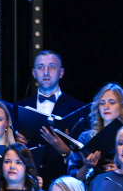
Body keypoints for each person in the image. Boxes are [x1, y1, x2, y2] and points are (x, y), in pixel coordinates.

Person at [15, 51, 86, 184]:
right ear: (34, 73)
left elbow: (84, 156)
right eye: (41, 67)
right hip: (26, 183)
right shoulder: (18, 107)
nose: (46, 72)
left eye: (52, 67)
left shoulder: (78, 109)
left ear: (61, 73)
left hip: (63, 183)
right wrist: (14, 140)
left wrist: (66, 151)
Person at [69, 83, 123, 181]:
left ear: (122, 106)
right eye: (102, 103)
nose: (106, 107)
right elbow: (72, 178)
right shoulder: (85, 137)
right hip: (92, 187)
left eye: (112, 102)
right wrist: (86, 166)